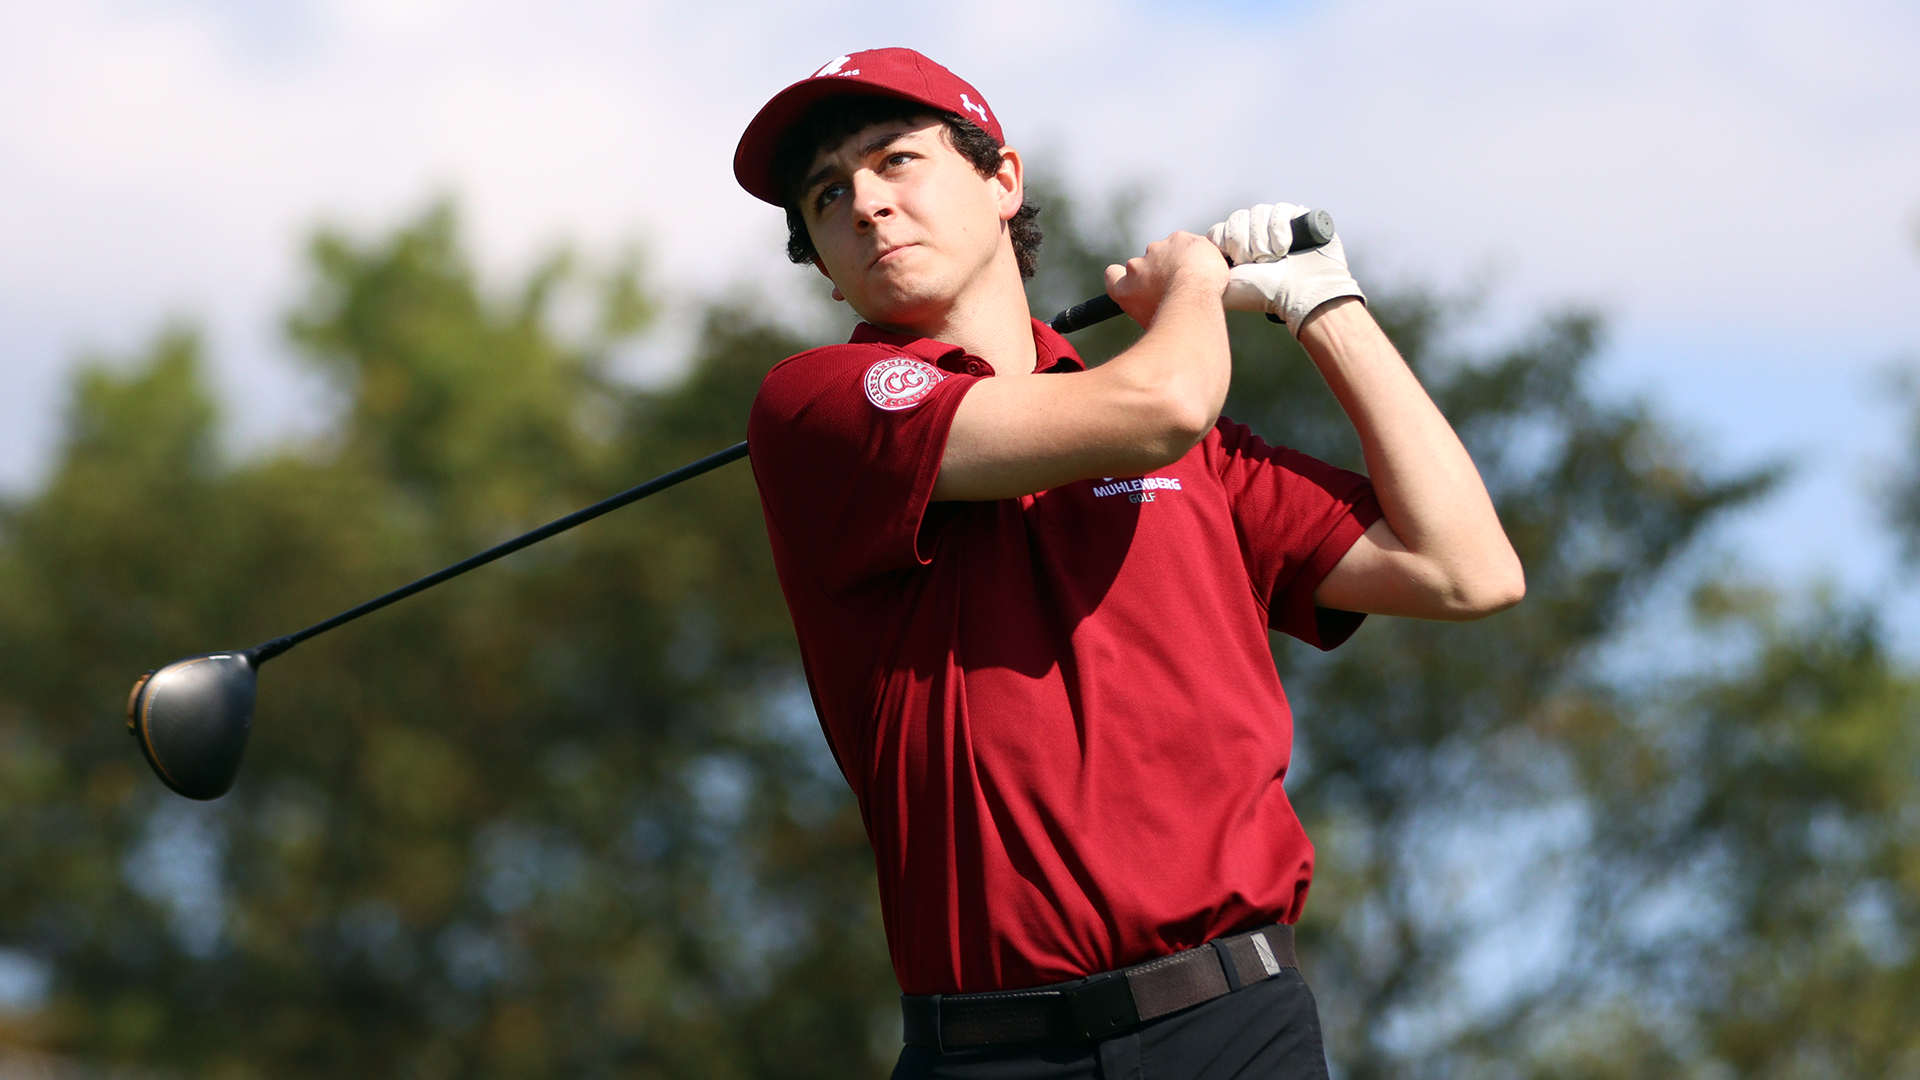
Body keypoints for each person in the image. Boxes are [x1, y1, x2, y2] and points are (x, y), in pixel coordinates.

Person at [734, 48, 1524, 1080]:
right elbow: (1156, 405)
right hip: (982, 1051)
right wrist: (1195, 285)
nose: (868, 205)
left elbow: (1465, 568)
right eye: (829, 194)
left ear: (1002, 180)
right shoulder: (816, 407)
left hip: (1233, 1026)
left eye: (896, 162)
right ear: (822, 257)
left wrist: (1325, 306)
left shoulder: (1205, 462)